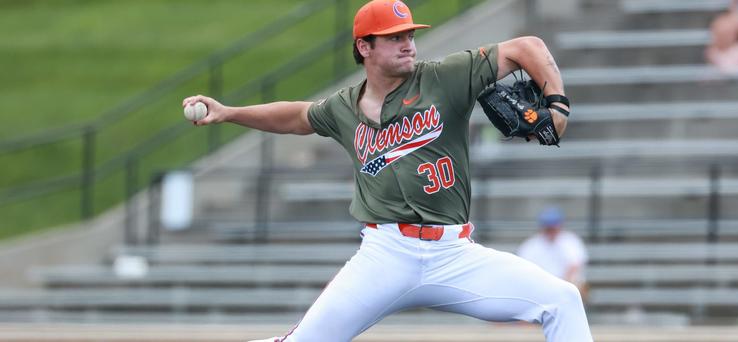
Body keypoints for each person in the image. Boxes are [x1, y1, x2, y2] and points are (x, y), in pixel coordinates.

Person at [182, 1, 591, 341]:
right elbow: (298, 116)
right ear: (364, 46)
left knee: (563, 300)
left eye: (409, 35)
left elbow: (528, 46)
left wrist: (558, 105)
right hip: (385, 255)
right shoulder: (344, 107)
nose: (408, 44)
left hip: (453, 253)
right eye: (395, 37)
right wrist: (228, 113)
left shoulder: (444, 77)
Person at [516, 207, 589, 299]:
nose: (551, 231)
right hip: (540, 285)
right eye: (548, 228)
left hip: (566, 285)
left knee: (577, 283)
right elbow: (524, 268)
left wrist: (561, 286)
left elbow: (574, 266)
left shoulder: (571, 241)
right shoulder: (531, 245)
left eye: (553, 228)